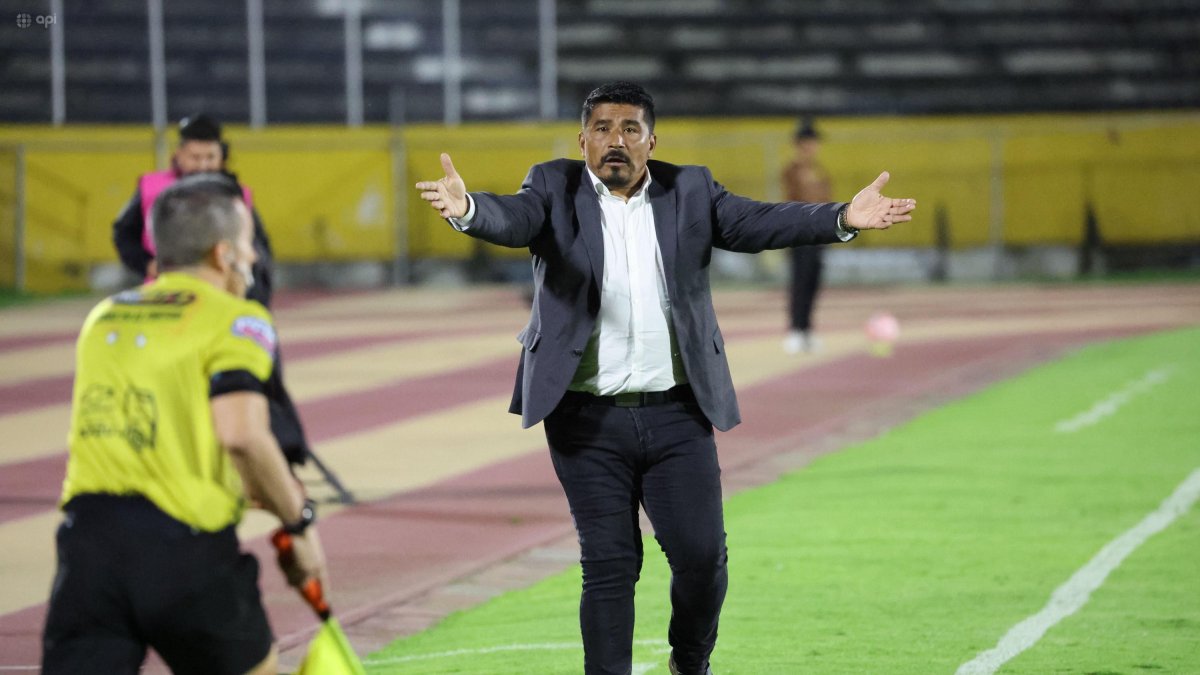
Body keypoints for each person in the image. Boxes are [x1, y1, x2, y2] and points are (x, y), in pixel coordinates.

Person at [415, 82, 916, 675]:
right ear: (582, 141)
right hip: (585, 418)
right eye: (601, 129)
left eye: (630, 129)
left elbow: (758, 222)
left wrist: (841, 218)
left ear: (653, 142)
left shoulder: (691, 189)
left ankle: (689, 661)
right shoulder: (552, 185)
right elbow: (511, 217)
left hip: (677, 413)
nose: (615, 141)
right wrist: (469, 209)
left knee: (703, 559)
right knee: (609, 564)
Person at [42, 174, 327, 675]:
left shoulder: (103, 318)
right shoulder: (240, 320)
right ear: (223, 255)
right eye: (246, 244)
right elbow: (241, 434)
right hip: (185, 556)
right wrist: (297, 520)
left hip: (87, 552)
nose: (254, 257)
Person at [111, 113, 311, 468]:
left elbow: (260, 255)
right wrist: (146, 264)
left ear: (222, 157)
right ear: (180, 154)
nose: (203, 165)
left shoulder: (238, 198)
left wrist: (253, 307)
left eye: (211, 158)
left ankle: (281, 448)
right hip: (166, 307)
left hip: (221, 310)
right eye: (196, 157)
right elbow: (123, 234)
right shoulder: (150, 188)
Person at [781, 116, 833, 354]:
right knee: (799, 282)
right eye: (808, 142)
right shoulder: (792, 171)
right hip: (800, 235)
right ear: (800, 144)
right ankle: (795, 329)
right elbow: (792, 202)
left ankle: (808, 329)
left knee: (813, 282)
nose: (812, 147)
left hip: (819, 236)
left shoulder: (821, 171)